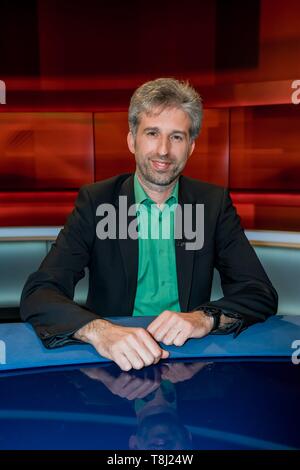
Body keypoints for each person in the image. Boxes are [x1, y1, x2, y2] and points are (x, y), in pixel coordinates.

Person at [20, 78, 278, 371]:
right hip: (114, 358)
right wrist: (100, 331)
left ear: (191, 147)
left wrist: (204, 318)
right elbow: (39, 292)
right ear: (132, 140)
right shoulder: (97, 202)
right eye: (153, 133)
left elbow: (259, 292)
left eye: (177, 137)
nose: (164, 151)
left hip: (189, 361)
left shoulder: (212, 204)